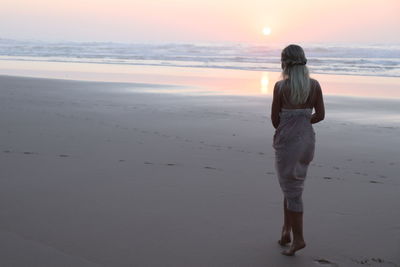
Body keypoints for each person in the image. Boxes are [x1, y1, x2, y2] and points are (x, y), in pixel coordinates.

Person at [271, 44, 325, 256]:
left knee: (292, 190)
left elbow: (275, 120)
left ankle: (299, 239)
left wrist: (289, 126)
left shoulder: (280, 87)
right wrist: (303, 122)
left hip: (288, 143)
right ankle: (286, 231)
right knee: (291, 187)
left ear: (284, 63)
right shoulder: (314, 85)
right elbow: (320, 115)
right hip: (307, 141)